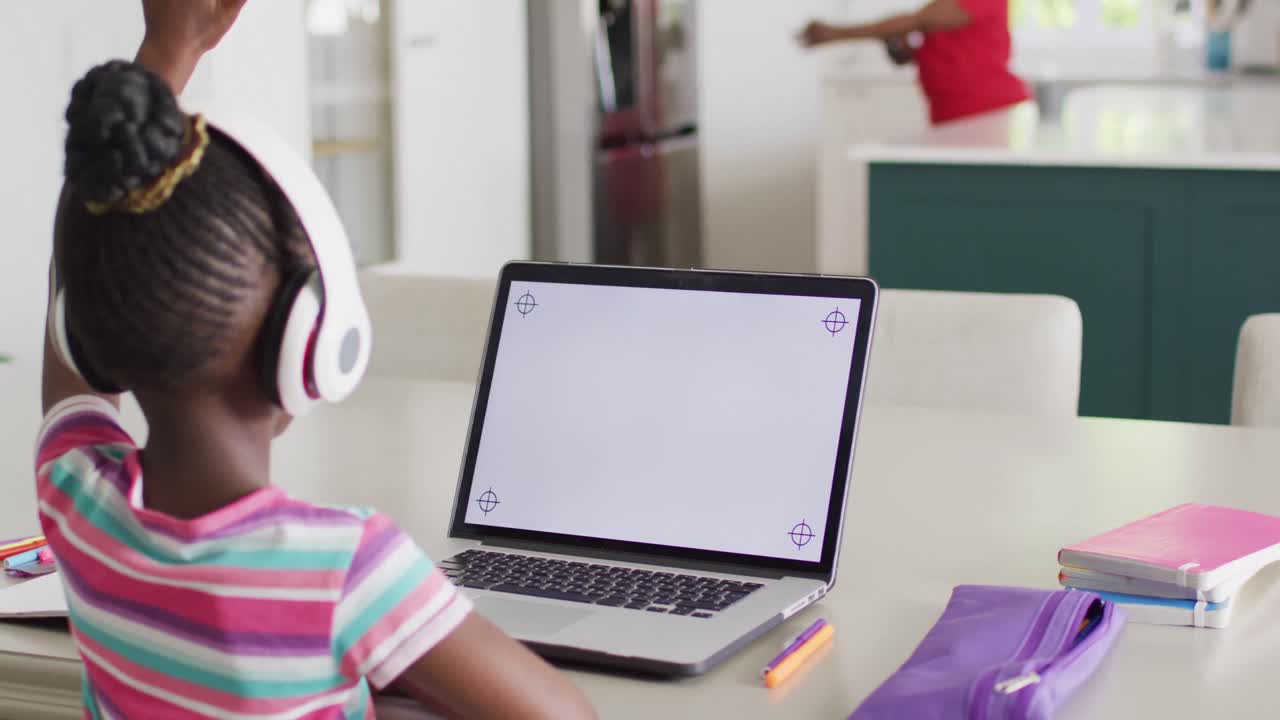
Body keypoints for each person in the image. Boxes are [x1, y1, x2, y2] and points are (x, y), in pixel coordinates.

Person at [36, 2, 597, 718]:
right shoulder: (346, 569)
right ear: (307, 339)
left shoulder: (75, 499)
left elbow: (81, 260)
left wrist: (163, 52)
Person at [800, 0, 1030, 125]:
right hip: (951, 113)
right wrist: (900, 47)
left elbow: (916, 21)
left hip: (988, 113)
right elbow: (929, 50)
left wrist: (835, 34)